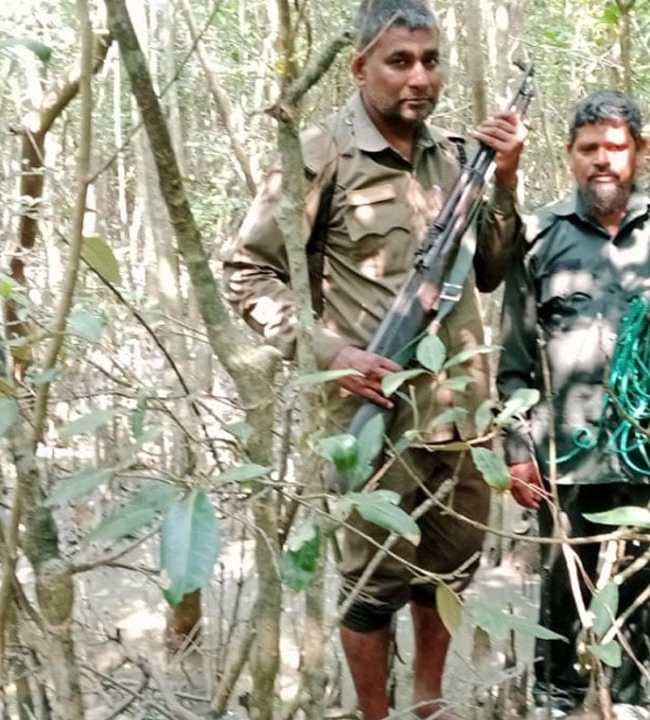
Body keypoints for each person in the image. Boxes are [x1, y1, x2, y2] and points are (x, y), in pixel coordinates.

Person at [221, 0, 526, 717]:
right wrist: (332, 353)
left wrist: (506, 181)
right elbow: (248, 272)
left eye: (430, 60)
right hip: (374, 421)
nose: (419, 77)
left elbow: (490, 269)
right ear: (360, 67)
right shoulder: (320, 153)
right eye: (399, 61)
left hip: (461, 421)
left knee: (445, 572)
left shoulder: (455, 158)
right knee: (370, 589)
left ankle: (426, 703)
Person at [497, 90, 650, 718]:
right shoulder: (540, 234)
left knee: (640, 582)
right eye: (589, 149)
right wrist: (517, 447)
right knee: (564, 584)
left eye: (615, 147)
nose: (602, 161)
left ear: (637, 153)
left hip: (649, 446)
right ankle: (557, 700)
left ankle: (632, 701)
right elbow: (514, 353)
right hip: (566, 452)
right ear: (570, 156)